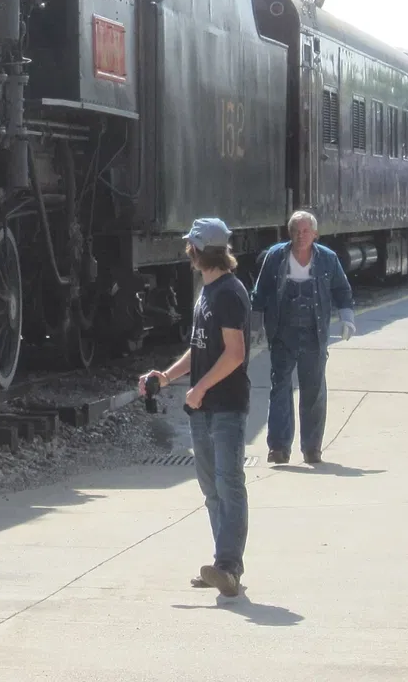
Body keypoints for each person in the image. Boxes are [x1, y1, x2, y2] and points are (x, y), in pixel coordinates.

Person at [141, 217, 250, 597]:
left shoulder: (230, 293)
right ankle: (223, 561)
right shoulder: (207, 291)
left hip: (225, 407)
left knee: (229, 483)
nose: (187, 250)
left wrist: (200, 388)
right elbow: (201, 348)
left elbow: (235, 354)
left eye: (191, 246)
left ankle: (228, 568)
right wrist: (166, 377)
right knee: (211, 488)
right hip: (203, 408)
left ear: (200, 250)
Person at [250, 211, 356, 465]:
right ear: (290, 233)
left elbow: (342, 289)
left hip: (314, 333)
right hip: (282, 333)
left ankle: (312, 448)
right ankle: (278, 447)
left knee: (314, 391)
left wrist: (347, 317)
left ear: (315, 234)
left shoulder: (327, 259)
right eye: (296, 231)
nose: (301, 236)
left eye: (305, 231)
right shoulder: (276, 257)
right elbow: (260, 292)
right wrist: (255, 327)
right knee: (280, 389)